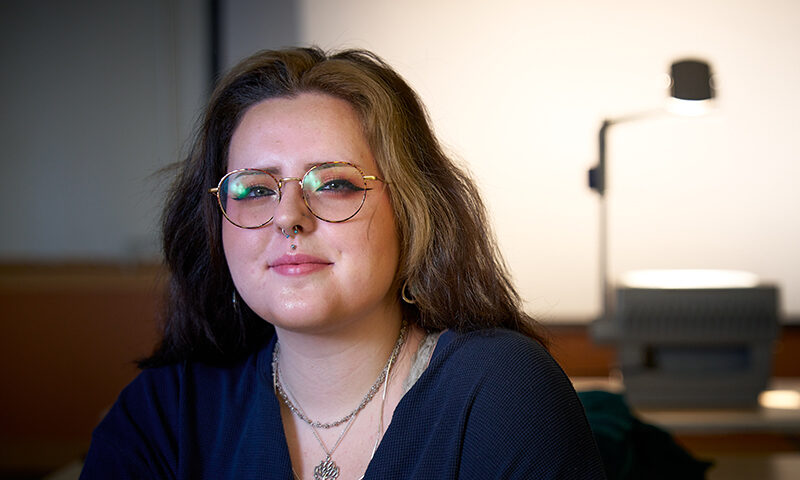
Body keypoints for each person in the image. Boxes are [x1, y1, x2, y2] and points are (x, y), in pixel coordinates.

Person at [80, 47, 605, 479]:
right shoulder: (163, 414)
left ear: (410, 209)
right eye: (254, 189)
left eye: (333, 183)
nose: (288, 217)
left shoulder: (503, 393)